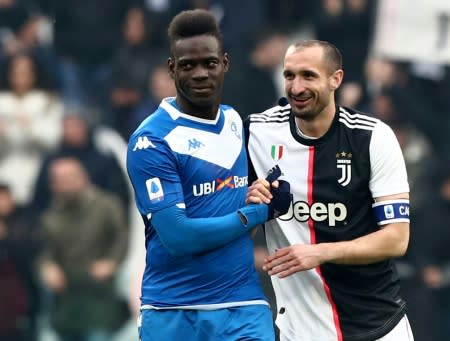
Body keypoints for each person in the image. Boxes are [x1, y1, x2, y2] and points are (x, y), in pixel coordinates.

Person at [125, 9, 291, 341]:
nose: (200, 73)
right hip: (174, 312)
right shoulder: (152, 140)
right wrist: (257, 212)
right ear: (172, 69)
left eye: (209, 63)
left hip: (243, 305)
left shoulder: (234, 123)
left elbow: (231, 204)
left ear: (224, 64)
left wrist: (267, 195)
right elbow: (178, 237)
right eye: (188, 65)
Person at [245, 40, 413, 341]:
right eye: (289, 76)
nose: (296, 87)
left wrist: (321, 252)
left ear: (336, 79)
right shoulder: (256, 133)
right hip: (299, 330)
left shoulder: (372, 137)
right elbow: (239, 231)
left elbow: (396, 239)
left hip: (378, 325)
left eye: (308, 76)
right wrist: (248, 208)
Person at [38, 157, 128, 341]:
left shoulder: (107, 205)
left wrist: (112, 261)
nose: (66, 183)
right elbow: (44, 248)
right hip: (66, 293)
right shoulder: (51, 213)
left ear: (84, 177)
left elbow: (121, 237)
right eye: (59, 179)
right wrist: (47, 266)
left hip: (98, 290)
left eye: (70, 177)